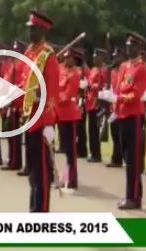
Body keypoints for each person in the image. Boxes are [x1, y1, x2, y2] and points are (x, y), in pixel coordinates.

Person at [100, 31, 146, 209]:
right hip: (122, 115)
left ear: (138, 48)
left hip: (133, 116)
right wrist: (114, 107)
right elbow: (119, 88)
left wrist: (118, 99)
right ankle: (131, 195)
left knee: (133, 159)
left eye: (132, 45)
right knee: (127, 158)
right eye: (127, 45)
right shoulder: (124, 67)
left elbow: (136, 94)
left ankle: (134, 197)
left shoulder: (141, 69)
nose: (128, 48)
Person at [22, 10, 59, 212]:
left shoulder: (48, 56)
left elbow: (52, 92)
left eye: (33, 28)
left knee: (42, 174)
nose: (29, 31)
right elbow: (23, 83)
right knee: (33, 173)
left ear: (42, 30)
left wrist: (49, 123)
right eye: (29, 27)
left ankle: (41, 212)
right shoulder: (30, 53)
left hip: (40, 122)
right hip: (28, 119)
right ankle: (33, 210)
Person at [57, 47, 83, 189]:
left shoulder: (75, 75)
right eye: (66, 57)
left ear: (74, 60)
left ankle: (72, 179)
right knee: (65, 148)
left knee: (70, 150)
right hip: (60, 114)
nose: (67, 60)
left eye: (70, 58)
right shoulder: (61, 70)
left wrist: (54, 98)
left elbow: (68, 95)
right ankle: (65, 176)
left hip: (70, 115)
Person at [1, 40, 27, 171]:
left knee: (16, 137)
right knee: (11, 136)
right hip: (10, 103)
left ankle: (16, 161)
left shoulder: (23, 64)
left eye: (17, 50)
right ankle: (12, 159)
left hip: (18, 104)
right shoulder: (12, 64)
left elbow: (24, 82)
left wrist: (14, 90)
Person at [85, 48, 108, 163]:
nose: (94, 58)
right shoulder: (94, 69)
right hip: (90, 102)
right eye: (94, 56)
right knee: (91, 129)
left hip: (97, 102)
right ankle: (93, 152)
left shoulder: (103, 70)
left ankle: (96, 154)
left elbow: (102, 85)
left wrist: (91, 86)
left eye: (96, 56)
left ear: (101, 58)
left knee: (95, 130)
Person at [105, 47, 125, 168]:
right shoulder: (112, 72)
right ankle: (116, 158)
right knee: (114, 134)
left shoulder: (124, 71)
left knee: (121, 135)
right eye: (114, 56)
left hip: (122, 105)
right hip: (113, 106)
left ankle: (120, 157)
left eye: (117, 56)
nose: (115, 58)